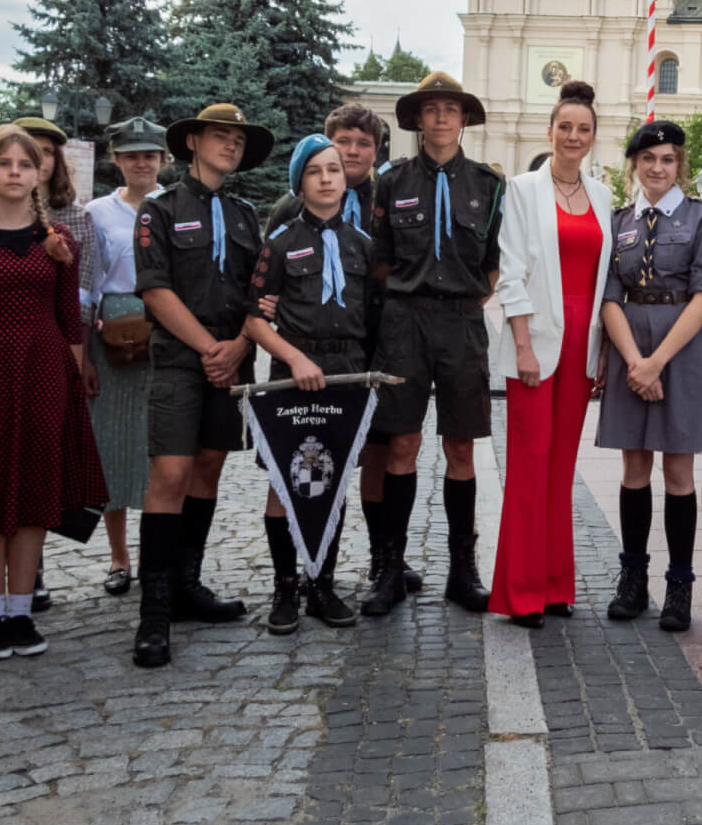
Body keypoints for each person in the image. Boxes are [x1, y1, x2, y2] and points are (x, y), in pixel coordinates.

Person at [0, 125, 108, 661]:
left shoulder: (58, 242)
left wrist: (74, 385)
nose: (15, 172)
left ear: (39, 174)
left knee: (35, 493)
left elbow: (69, 320)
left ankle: (22, 612)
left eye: (25, 164)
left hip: (44, 372)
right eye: (4, 163)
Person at [131, 102, 271, 667]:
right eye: (220, 137)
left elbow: (256, 293)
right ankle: (154, 612)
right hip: (180, 357)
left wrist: (238, 346)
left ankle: (188, 586)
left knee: (209, 466)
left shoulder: (243, 214)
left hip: (233, 357)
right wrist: (208, 348)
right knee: (170, 472)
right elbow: (155, 289)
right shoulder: (160, 209)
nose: (231, 146)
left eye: (238, 139)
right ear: (192, 142)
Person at [363, 73, 504, 616]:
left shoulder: (489, 186)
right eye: (432, 110)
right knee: (401, 445)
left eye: (451, 109)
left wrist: (464, 303)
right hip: (405, 324)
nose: (442, 118)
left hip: (463, 325)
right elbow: (380, 259)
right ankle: (390, 568)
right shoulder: (391, 183)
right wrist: (412, 301)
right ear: (417, 120)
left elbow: (494, 262)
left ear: (464, 119)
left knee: (461, 448)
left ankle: (462, 571)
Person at [487, 82, 611, 626]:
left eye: (584, 129)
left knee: (562, 470)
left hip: (583, 346)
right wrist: (520, 345)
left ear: (593, 137)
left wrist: (603, 350)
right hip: (535, 344)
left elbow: (607, 279)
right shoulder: (521, 189)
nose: (574, 137)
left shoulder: (604, 195)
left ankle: (557, 585)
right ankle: (521, 592)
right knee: (529, 467)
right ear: (550, 130)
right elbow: (510, 272)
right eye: (566, 127)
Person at [597, 120, 702, 632]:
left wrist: (656, 363)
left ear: (680, 167)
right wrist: (632, 361)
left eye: (668, 159)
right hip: (631, 343)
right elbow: (609, 295)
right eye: (648, 159)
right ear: (635, 165)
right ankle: (632, 580)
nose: (657, 167)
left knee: (677, 473)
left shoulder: (700, 218)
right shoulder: (619, 221)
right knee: (634, 470)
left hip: (682, 350)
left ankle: (679, 586)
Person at [244, 136, 371, 633]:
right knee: (285, 480)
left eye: (334, 170)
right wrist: (294, 358)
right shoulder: (278, 245)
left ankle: (322, 582)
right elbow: (255, 320)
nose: (326, 178)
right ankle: (285, 587)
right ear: (299, 182)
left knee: (334, 483)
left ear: (345, 179)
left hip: (346, 375)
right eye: (315, 171)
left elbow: (374, 318)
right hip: (292, 376)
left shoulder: (364, 246)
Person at [13, 115, 100, 613]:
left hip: (54, 349)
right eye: (26, 153)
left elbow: (82, 296)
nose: (36, 163)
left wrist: (80, 358)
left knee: (45, 462)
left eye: (45, 154)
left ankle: (34, 569)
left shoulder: (76, 218)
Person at [84, 117, 169, 595]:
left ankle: (165, 554)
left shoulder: (175, 206)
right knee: (113, 446)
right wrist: (86, 350)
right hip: (111, 331)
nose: (142, 162)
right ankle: (119, 557)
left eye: (150, 154)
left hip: (164, 325)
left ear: (163, 159)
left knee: (164, 444)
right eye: (133, 154)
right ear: (117, 159)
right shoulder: (97, 213)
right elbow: (89, 283)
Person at [265, 102, 387, 236]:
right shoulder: (292, 206)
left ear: (375, 152)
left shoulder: (387, 202)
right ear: (327, 147)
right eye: (343, 141)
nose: (353, 151)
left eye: (363, 144)